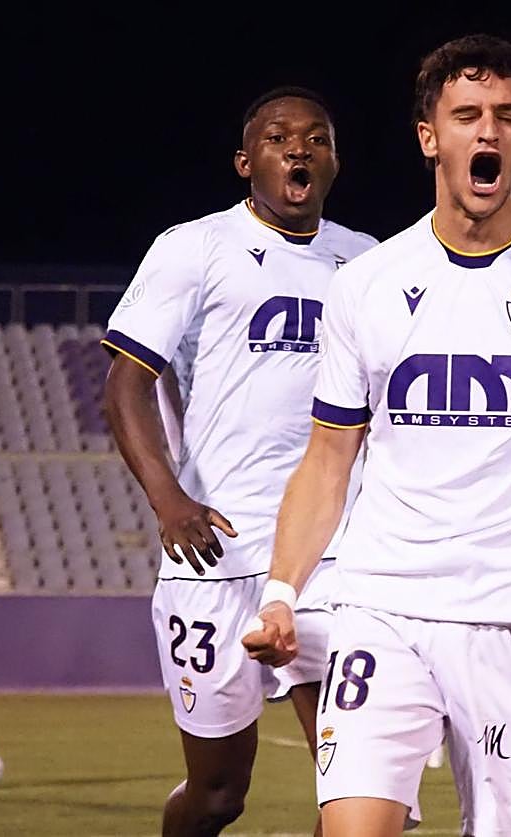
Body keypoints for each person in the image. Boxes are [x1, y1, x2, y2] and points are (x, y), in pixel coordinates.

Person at [241, 35, 511, 837]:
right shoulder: (364, 285)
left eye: (506, 116)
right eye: (466, 115)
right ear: (430, 137)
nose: (486, 132)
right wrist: (282, 590)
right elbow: (327, 460)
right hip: (381, 605)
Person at [101, 86, 376, 837]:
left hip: (331, 551)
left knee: (362, 783)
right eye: (279, 137)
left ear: (333, 161)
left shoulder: (370, 263)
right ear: (244, 161)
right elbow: (125, 381)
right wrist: (169, 501)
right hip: (217, 548)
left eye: (316, 137)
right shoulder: (194, 246)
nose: (298, 147)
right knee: (219, 794)